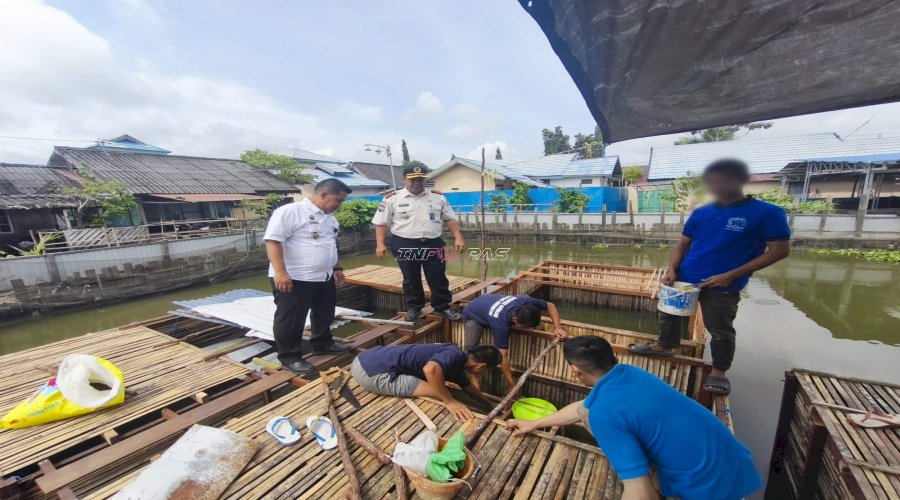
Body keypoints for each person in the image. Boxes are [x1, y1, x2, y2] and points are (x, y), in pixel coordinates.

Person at [506, 336, 761, 500]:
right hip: (732, 459)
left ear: (574, 371)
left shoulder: (605, 414)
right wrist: (535, 423)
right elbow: (582, 408)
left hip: (707, 488)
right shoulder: (630, 373)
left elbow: (641, 494)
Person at [628, 159, 790, 395]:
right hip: (685, 277)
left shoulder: (767, 213)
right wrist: (672, 269)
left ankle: (719, 371)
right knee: (668, 315)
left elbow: (779, 251)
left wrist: (731, 274)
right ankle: (664, 346)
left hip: (724, 283)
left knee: (720, 328)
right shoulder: (702, 212)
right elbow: (683, 243)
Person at [264, 179, 354, 374]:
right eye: (338, 200)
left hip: (323, 276)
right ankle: (290, 357)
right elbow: (272, 241)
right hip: (295, 277)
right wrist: (280, 272)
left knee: (324, 312)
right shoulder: (290, 212)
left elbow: (330, 244)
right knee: (291, 319)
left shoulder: (329, 218)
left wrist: (336, 268)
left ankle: (322, 343)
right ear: (323, 195)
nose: (340, 205)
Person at [372, 164, 465, 322]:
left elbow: (449, 219)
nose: (417, 183)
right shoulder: (391, 199)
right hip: (404, 243)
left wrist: (458, 237)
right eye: (412, 180)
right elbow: (381, 223)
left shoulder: (438, 197)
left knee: (438, 276)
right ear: (404, 180)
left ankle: (442, 307)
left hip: (433, 243)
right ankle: (415, 308)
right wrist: (380, 244)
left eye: (421, 179)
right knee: (411, 278)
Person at [350, 343, 500, 421]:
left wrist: (490, 404)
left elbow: (469, 388)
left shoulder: (457, 359)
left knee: (443, 389)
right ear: (482, 366)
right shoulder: (453, 355)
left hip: (365, 357)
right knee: (440, 392)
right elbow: (430, 369)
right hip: (370, 373)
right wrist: (449, 401)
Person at [461, 293, 568, 391]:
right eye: (526, 327)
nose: (528, 329)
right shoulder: (500, 325)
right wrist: (511, 382)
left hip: (487, 300)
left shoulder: (524, 301)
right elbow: (502, 356)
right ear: (515, 320)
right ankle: (472, 376)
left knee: (525, 295)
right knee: (471, 347)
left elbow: (550, 305)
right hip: (472, 312)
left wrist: (557, 327)